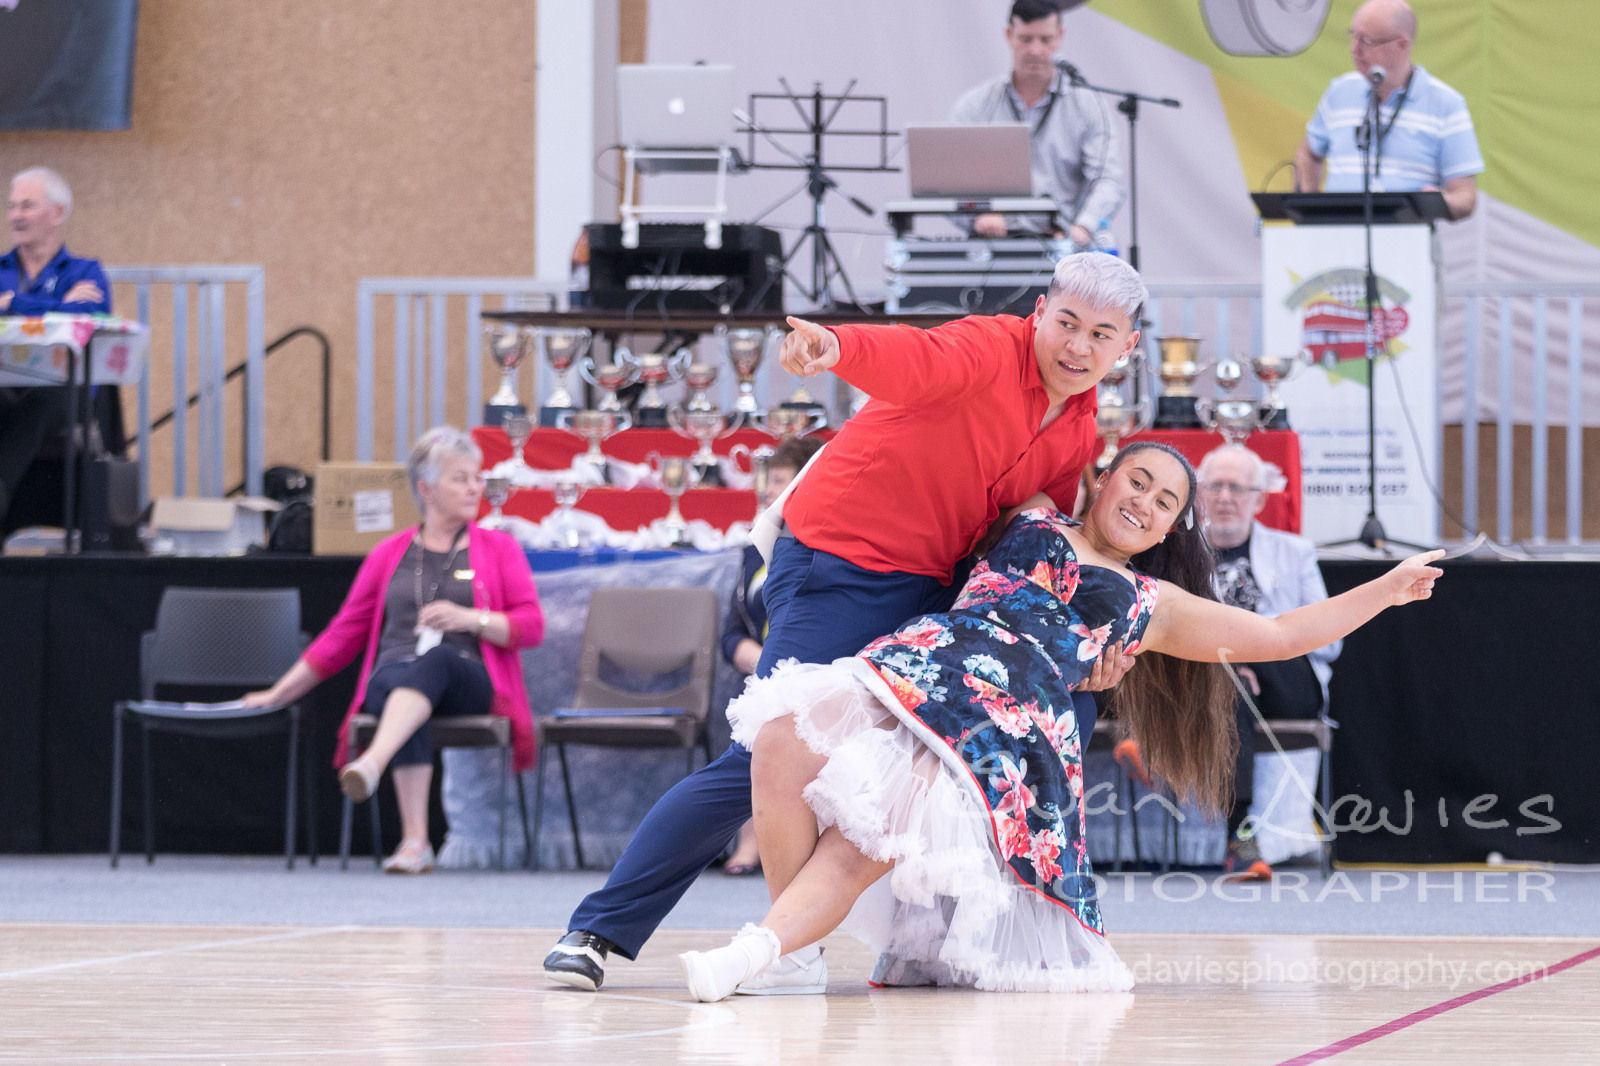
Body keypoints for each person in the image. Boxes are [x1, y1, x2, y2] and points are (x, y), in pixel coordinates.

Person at [543, 252, 1140, 993]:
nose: (1078, 346)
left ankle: (927, 948)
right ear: (1040, 312)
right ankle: (602, 931)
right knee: (768, 750)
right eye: (1067, 323)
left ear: (1126, 346)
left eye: (1100, 334)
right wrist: (836, 346)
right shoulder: (987, 348)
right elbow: (914, 356)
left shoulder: (1077, 434)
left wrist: (1080, 648)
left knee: (1012, 731)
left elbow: (1029, 540)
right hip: (841, 563)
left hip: (934, 592)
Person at [677, 442, 1443, 1001]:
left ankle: (757, 950)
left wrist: (1386, 588)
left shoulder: (1155, 605)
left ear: (1171, 529)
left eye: (1164, 502)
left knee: (872, 829)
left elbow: (1278, 635)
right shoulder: (1032, 515)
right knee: (781, 737)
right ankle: (793, 952)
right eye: (1136, 481)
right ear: (1103, 479)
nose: (1143, 502)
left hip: (999, 728)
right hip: (915, 671)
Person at [243, 426, 544, 874]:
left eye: (477, 477)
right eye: (460, 478)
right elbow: (343, 634)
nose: (474, 488)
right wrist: (278, 693)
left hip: (467, 677)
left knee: (436, 661)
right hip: (397, 675)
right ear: (426, 489)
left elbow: (531, 626)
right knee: (401, 682)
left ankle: (374, 763)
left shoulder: (499, 548)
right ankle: (414, 844)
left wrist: (471, 620)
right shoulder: (389, 554)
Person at [1199, 444, 1340, 879]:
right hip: (1217, 682)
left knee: (1230, 656)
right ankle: (1241, 837)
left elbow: (1329, 639)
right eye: (1215, 486)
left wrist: (1250, 649)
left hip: (1287, 679)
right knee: (1230, 686)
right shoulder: (1177, 551)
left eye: (1237, 488)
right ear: (1198, 494)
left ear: (1259, 499)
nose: (1225, 497)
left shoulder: (1294, 552)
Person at [719, 434, 825, 877]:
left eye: (779, 481)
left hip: (811, 671)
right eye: (767, 481)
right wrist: (751, 656)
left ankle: (781, 844)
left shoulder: (822, 547)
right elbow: (731, 632)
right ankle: (752, 839)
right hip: (760, 669)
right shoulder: (755, 547)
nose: (767, 491)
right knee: (748, 705)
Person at [951, 0, 1124, 245]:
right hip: (992, 245)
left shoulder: (1088, 106)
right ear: (1009, 35)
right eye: (1025, 39)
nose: (1035, 50)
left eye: (1045, 39)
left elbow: (1108, 180)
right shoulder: (976, 105)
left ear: (1060, 36)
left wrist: (1083, 226)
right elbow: (951, 183)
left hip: (1063, 245)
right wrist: (977, 215)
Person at [1293, 0, 1482, 220]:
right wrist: (1311, 209)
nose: (1354, 49)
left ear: (1402, 44)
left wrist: (1436, 201)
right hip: (1337, 231)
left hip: (1407, 235)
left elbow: (1466, 198)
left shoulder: (1446, 103)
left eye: (1367, 41)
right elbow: (1308, 154)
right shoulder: (1339, 92)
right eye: (1352, 36)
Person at [0, 167, 113, 529]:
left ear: (58, 213)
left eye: (27, 205)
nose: (16, 215)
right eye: (12, 206)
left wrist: (14, 303)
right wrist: (61, 305)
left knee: (41, 399)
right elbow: (72, 311)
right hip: (6, 385)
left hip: (64, 392)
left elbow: (90, 315)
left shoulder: (85, 271)